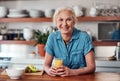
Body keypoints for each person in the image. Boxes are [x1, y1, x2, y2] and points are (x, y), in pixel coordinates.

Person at [44, 7, 96, 77]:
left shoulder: (84, 37)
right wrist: (49, 70)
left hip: (81, 79)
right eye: (61, 20)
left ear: (74, 22)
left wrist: (73, 72)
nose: (64, 24)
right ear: (56, 22)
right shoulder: (52, 37)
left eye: (68, 20)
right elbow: (46, 65)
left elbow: (92, 67)